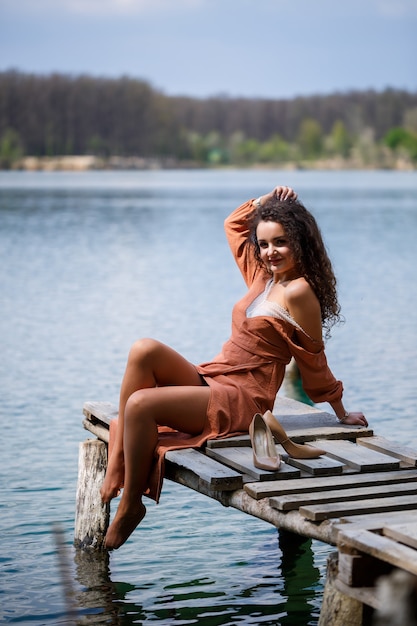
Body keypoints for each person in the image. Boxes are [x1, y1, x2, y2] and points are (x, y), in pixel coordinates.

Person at [100, 185, 367, 550]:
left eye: (281, 243)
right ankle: (120, 452)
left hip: (245, 398)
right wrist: (264, 202)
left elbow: (313, 360)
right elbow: (233, 224)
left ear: (300, 242)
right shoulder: (262, 275)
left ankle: (131, 503)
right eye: (264, 244)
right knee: (143, 350)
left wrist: (341, 411)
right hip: (218, 374)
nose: (270, 252)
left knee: (141, 405)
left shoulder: (298, 292)